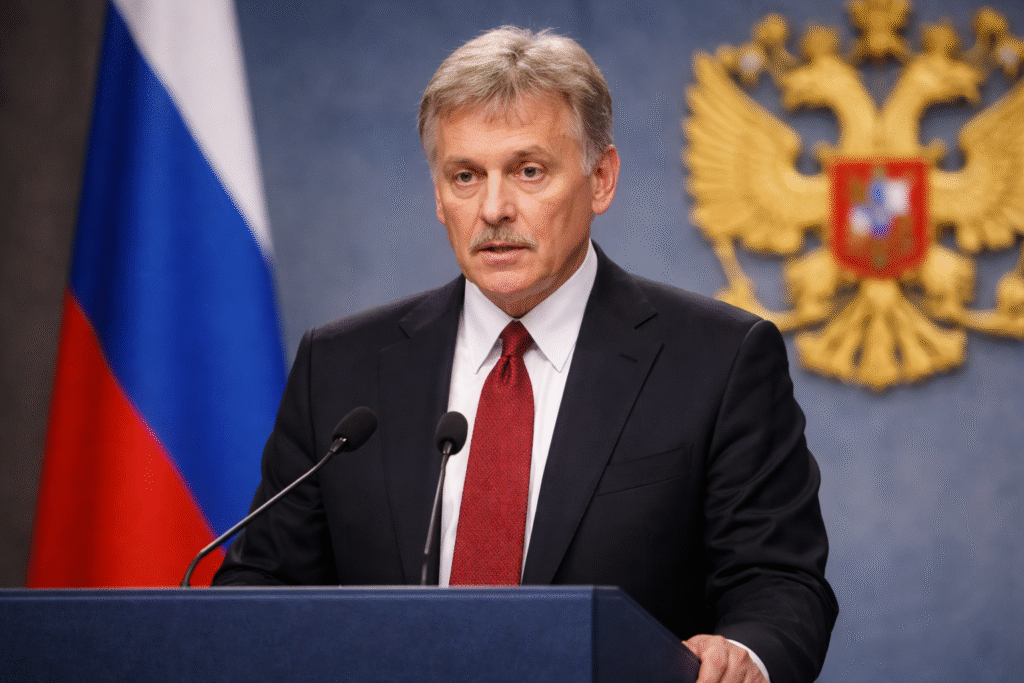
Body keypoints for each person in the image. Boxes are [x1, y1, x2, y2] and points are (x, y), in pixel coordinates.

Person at [214, 26, 838, 683]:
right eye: (464, 176)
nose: (493, 208)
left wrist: (746, 652)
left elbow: (779, 580)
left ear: (601, 179)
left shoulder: (720, 359)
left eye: (528, 170)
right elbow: (264, 585)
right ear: (437, 196)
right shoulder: (340, 367)